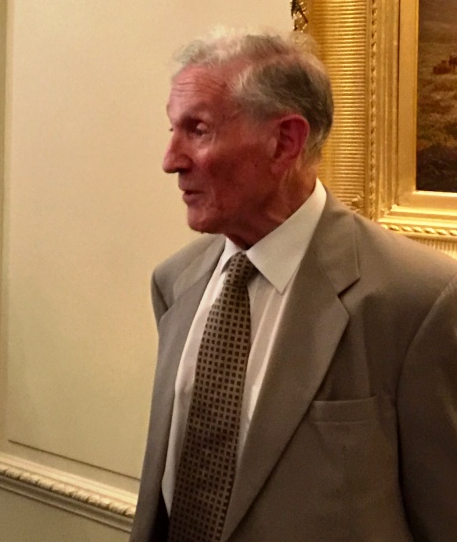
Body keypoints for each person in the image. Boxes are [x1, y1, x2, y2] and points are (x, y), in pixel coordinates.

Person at [130, 29, 457, 541]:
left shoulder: (419, 300)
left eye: (197, 129)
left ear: (285, 141)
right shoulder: (176, 281)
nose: (171, 159)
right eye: (174, 130)